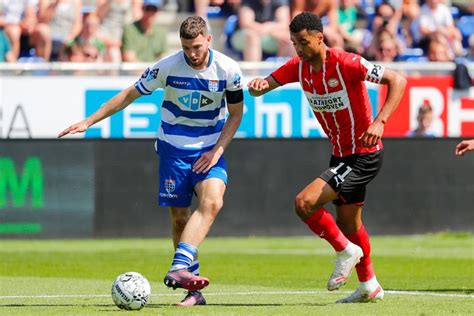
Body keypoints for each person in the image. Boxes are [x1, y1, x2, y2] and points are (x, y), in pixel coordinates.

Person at [58, 16, 243, 306]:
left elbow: (235, 114)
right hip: (173, 149)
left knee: (213, 201)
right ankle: (192, 291)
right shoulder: (167, 67)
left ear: (208, 40)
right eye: (185, 47)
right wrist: (89, 121)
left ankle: (178, 266)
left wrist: (218, 150)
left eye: (196, 46)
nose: (191, 53)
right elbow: (129, 94)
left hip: (209, 149)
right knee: (179, 218)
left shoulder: (229, 70)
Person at [248, 12, 406, 303]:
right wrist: (258, 86)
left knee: (304, 203)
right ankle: (369, 285)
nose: (298, 49)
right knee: (349, 224)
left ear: (320, 38)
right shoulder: (298, 67)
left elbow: (397, 80)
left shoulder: (347, 63)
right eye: (294, 43)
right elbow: (267, 84)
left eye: (303, 42)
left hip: (362, 154)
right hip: (340, 155)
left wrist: (380, 121)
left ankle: (344, 251)